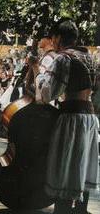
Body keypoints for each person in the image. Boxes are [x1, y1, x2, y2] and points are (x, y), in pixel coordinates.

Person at [31, 19, 99, 213]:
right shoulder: (89, 57)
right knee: (82, 167)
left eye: (53, 39)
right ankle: (81, 210)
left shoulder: (63, 59)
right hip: (90, 119)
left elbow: (45, 96)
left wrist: (37, 71)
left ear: (58, 38)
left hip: (72, 121)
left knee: (65, 170)